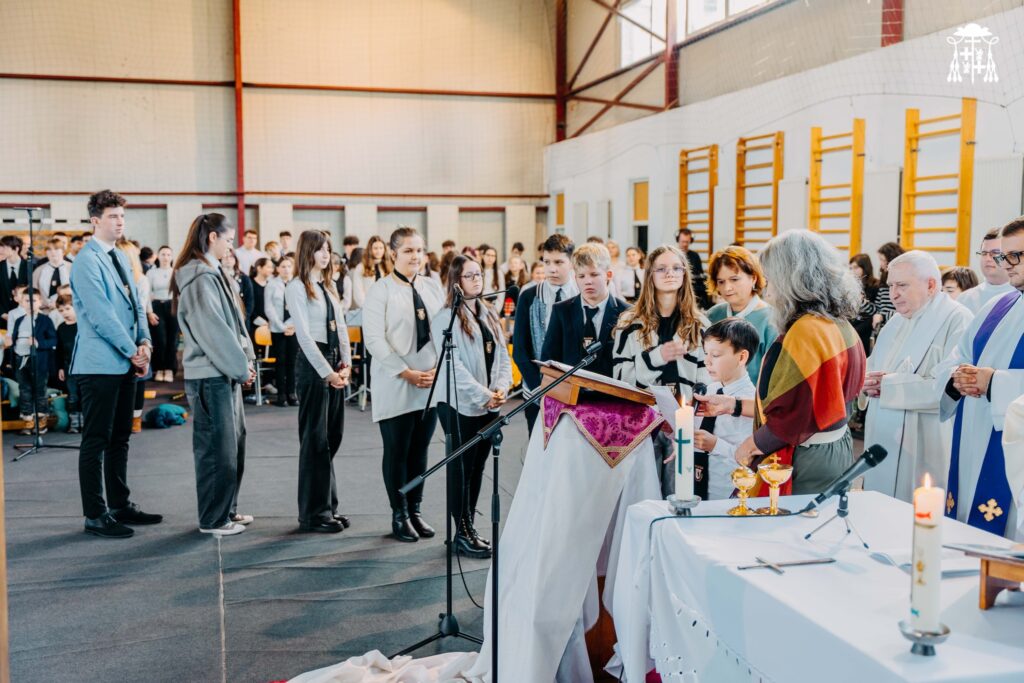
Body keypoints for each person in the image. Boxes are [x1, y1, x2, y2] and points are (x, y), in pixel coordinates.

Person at [723, 231, 866, 495]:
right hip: (834, 447)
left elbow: (794, 410)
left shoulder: (806, 330)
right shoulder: (837, 323)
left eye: (771, 279)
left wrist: (752, 445)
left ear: (789, 279)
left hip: (807, 457)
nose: (768, 290)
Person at [71, 190, 161, 539]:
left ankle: (120, 504)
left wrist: (145, 343)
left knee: (121, 436)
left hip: (125, 360)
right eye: (112, 216)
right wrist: (131, 350)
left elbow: (137, 305)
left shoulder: (120, 256)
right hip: (99, 364)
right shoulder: (86, 261)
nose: (120, 221)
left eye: (122, 215)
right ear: (95, 220)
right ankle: (95, 514)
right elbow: (101, 315)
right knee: (96, 439)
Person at [861, 251, 973, 501]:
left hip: (925, 441)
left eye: (902, 285)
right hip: (882, 433)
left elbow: (952, 387)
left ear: (931, 285)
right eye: (890, 286)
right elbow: (873, 366)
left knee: (917, 507)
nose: (893, 294)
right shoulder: (895, 322)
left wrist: (888, 386)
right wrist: (864, 380)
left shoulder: (958, 319)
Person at [938, 217, 1024, 539]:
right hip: (974, 433)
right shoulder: (997, 305)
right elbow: (957, 355)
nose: (1007, 264)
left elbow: (994, 380)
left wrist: (995, 383)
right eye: (1004, 255)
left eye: (1016, 255)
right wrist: (958, 376)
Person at [173, 213, 256, 537]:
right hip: (210, 375)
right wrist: (240, 367)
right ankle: (213, 518)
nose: (230, 247)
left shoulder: (214, 272)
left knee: (233, 446)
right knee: (215, 450)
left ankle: (227, 509)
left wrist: (245, 362)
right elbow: (214, 331)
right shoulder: (199, 277)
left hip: (225, 372)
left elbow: (234, 324)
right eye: (228, 240)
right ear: (212, 238)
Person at [363, 227, 445, 542]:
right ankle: (399, 515)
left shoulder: (432, 286)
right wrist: (405, 372)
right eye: (408, 250)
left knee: (420, 450)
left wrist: (439, 367)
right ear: (393, 253)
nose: (415, 256)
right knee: (397, 451)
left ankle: (415, 510)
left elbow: (444, 328)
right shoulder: (380, 290)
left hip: (430, 382)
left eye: (419, 250)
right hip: (395, 381)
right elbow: (374, 339)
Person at [430, 255, 512, 558]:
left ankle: (468, 528)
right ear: (456, 281)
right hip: (459, 404)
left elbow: (502, 355)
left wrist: (501, 388)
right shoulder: (446, 318)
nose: (477, 280)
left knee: (478, 468)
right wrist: (483, 394)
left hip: (489, 403)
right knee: (461, 469)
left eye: (479, 274)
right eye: (470, 275)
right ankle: (461, 531)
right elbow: (454, 368)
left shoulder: (488, 312)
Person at [613, 244, 707, 496]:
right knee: (644, 497)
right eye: (662, 269)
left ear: (685, 274)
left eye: (677, 268)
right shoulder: (629, 323)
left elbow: (706, 381)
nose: (670, 274)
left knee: (680, 496)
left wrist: (686, 422)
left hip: (684, 425)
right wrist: (656, 358)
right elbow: (620, 379)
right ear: (650, 275)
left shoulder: (699, 324)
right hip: (643, 422)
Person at [286, 230, 353, 534]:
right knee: (315, 441)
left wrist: (346, 364)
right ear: (307, 252)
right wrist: (327, 372)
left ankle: (329, 506)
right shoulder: (296, 287)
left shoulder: (328, 285)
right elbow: (304, 336)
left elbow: (341, 328)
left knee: (331, 437)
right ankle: (313, 514)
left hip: (334, 360)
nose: (326, 254)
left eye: (328, 249)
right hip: (314, 365)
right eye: (320, 249)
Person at [512, 234, 578, 433]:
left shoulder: (581, 294)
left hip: (575, 391)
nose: (551, 269)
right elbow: (520, 350)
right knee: (539, 446)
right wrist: (538, 388)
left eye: (559, 262)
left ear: (572, 262)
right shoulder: (529, 296)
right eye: (547, 262)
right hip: (536, 390)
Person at [693, 318, 758, 500]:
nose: (707, 361)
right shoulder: (709, 390)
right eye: (706, 353)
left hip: (726, 492)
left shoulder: (751, 403)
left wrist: (715, 445)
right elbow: (696, 435)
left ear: (741, 357)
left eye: (715, 355)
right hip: (695, 485)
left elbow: (748, 459)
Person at [542, 242, 627, 379]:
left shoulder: (627, 313)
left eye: (594, 274)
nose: (588, 281)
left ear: (608, 275)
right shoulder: (561, 311)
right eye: (581, 276)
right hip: (570, 390)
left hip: (612, 391)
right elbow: (549, 360)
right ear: (575, 278)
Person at [706, 246, 777, 384]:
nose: (727, 288)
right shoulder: (713, 315)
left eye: (734, 279)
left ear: (753, 278)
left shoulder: (771, 319)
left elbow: (774, 376)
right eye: (721, 282)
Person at [6, 288, 56, 434]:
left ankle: (41, 421)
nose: (30, 304)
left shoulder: (45, 320)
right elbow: (14, 339)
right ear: (22, 302)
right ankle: (27, 420)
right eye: (27, 301)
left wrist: (39, 343)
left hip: (38, 361)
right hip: (20, 359)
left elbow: (53, 340)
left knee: (40, 390)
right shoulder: (19, 320)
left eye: (34, 300)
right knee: (24, 390)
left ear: (40, 302)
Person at [117, 239, 153, 433]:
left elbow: (141, 307)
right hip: (118, 330)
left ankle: (136, 417)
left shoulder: (141, 279)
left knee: (138, 376)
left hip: (135, 328)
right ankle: (122, 417)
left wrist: (143, 340)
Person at [266, 256, 298, 406]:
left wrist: (292, 326)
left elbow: (301, 307)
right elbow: (269, 308)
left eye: (289, 266)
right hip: (277, 329)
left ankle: (292, 393)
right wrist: (282, 327)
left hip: (294, 329)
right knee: (280, 362)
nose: (286, 269)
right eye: (283, 266)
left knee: (292, 362)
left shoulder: (297, 284)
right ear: (278, 268)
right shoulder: (272, 284)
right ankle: (281, 395)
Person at [958, 228, 1014, 313]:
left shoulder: (1020, 295)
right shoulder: (964, 299)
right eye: (984, 253)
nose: (987, 258)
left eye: (995, 252)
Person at [146, 246, 177, 382]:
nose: (166, 257)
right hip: (157, 306)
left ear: (172, 257)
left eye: (168, 254)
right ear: (158, 256)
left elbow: (180, 292)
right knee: (160, 339)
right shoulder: (151, 273)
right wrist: (149, 312)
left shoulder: (176, 272)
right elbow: (147, 294)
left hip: (173, 306)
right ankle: (159, 369)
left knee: (172, 340)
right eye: (163, 254)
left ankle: (169, 369)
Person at [55, 294, 81, 433]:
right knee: (72, 396)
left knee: (85, 395)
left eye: (67, 309)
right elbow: (59, 350)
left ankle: (86, 422)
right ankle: (74, 423)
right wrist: (60, 367)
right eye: (61, 310)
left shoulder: (83, 325)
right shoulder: (61, 328)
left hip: (84, 366)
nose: (64, 312)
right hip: (69, 367)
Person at [848, 253, 880, 352]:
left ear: (865, 268)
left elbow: (875, 311)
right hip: (853, 322)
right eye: (850, 268)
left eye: (856, 267)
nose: (852, 271)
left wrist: (861, 301)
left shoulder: (875, 285)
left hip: (866, 326)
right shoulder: (850, 285)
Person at [351, 235, 391, 310]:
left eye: (381, 248)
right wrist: (368, 307)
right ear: (370, 249)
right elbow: (358, 292)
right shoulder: (361, 267)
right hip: (368, 308)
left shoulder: (388, 267)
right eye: (375, 248)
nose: (378, 251)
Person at [873, 241, 904, 329]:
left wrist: (883, 316)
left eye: (882, 260)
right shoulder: (884, 278)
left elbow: (905, 312)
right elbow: (877, 308)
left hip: (897, 328)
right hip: (882, 328)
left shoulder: (903, 280)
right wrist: (863, 302)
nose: (881, 264)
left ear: (891, 260)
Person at [677, 228, 710, 309]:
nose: (685, 244)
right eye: (683, 241)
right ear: (678, 240)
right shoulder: (673, 255)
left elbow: (700, 275)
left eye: (687, 242)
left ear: (690, 241)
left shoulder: (695, 256)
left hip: (693, 287)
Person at [221, 248, 254, 331]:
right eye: (225, 257)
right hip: (225, 319)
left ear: (235, 260)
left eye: (231, 256)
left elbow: (250, 301)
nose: (228, 259)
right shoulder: (217, 277)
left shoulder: (244, 278)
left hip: (242, 319)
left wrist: (244, 317)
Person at [34, 238, 71, 310]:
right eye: (49, 249)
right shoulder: (39, 270)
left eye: (56, 249)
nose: (53, 252)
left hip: (67, 310)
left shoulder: (73, 268)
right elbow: (34, 291)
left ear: (63, 252)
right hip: (44, 310)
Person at [0, 235, 28, 319]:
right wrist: (2, 314)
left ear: (16, 249)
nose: (1, 250)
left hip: (25, 316)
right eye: (1, 247)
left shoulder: (29, 267)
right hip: (2, 317)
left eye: (5, 247)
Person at [249, 256, 274, 337]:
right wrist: (260, 321)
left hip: (270, 326)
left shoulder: (271, 284)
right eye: (268, 267)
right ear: (259, 268)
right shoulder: (250, 283)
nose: (271, 270)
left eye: (272, 267)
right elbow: (248, 305)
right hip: (254, 326)